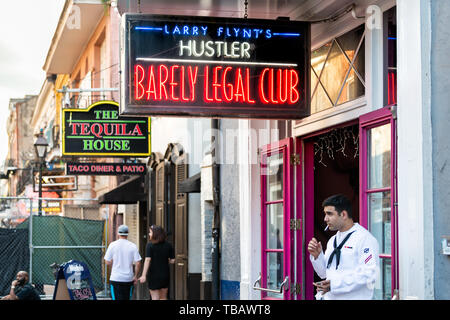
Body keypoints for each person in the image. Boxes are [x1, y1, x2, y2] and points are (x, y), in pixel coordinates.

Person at [307, 194, 379, 300]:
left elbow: (370, 274)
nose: (325, 219)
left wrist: (334, 285)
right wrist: (317, 256)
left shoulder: (365, 239)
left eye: (329, 214)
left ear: (343, 214)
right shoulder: (332, 241)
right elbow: (324, 274)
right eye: (325, 214)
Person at [104, 224, 142, 300]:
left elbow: (107, 262)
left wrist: (114, 262)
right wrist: (135, 276)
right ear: (127, 234)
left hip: (115, 278)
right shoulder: (133, 246)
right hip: (128, 279)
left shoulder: (112, 245)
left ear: (118, 233)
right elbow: (138, 263)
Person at [139, 225, 175, 300]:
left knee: (155, 298)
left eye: (150, 232)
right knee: (163, 297)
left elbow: (148, 260)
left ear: (155, 234)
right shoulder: (168, 245)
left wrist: (143, 275)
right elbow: (172, 261)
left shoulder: (150, 245)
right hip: (164, 275)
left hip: (153, 275)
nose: (149, 234)